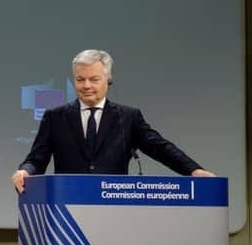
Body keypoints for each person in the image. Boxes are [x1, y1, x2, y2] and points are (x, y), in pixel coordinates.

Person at [11, 49, 214, 193]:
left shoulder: (128, 117)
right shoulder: (55, 117)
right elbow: (36, 159)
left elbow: (159, 147)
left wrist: (192, 170)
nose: (86, 85)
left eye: (94, 79)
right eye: (80, 79)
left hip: (114, 206)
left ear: (108, 79)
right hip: (68, 205)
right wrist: (24, 171)